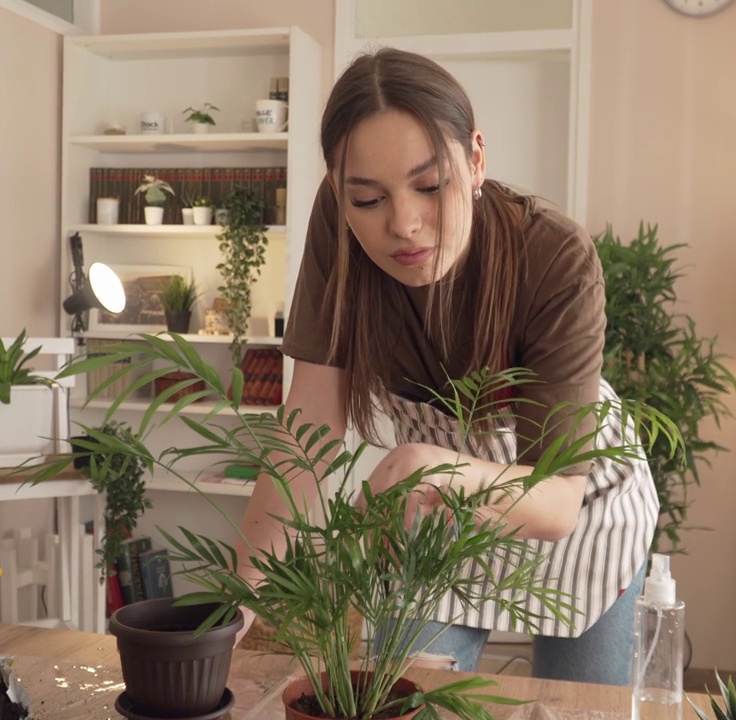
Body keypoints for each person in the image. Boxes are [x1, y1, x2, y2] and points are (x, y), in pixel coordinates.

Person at [233, 47, 658, 686]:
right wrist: (242, 592)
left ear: (477, 158)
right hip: (436, 508)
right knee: (408, 696)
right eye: (369, 198)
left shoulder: (554, 254)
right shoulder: (339, 224)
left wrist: (425, 465)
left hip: (571, 499)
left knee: (578, 706)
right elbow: (306, 432)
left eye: (430, 186)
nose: (403, 224)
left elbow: (558, 502)